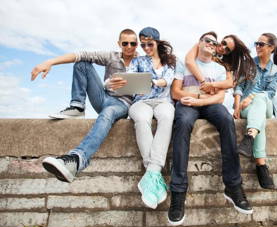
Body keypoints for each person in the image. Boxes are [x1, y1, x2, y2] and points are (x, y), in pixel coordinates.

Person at [168, 31, 253, 226]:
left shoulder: (219, 68)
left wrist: (199, 100)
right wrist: (189, 99)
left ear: (216, 49)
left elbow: (220, 98)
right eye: (207, 40)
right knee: (182, 124)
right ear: (199, 42)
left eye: (214, 43)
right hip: (187, 103)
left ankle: (233, 186)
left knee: (226, 119)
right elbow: (175, 91)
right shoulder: (185, 62)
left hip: (206, 104)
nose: (211, 44)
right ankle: (178, 192)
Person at [30, 29, 138, 182]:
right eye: (125, 43)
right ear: (119, 43)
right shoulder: (111, 57)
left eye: (132, 43)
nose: (128, 46)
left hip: (121, 104)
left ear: (137, 44)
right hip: (103, 97)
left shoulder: (142, 61)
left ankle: (77, 159)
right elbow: (80, 54)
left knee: (107, 114)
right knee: (82, 62)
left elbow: (147, 87)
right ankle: (77, 106)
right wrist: (49, 62)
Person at [234, 32, 277, 189]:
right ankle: (261, 165)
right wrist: (237, 106)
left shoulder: (275, 70)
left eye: (261, 44)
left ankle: (250, 138)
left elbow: (270, 93)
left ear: (271, 48)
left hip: (266, 105)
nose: (257, 47)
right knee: (259, 122)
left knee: (262, 98)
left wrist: (251, 97)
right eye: (256, 43)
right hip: (246, 108)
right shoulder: (247, 63)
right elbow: (239, 86)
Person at [123, 27, 176, 209]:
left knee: (167, 117)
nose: (146, 48)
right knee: (142, 120)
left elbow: (166, 81)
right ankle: (154, 173)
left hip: (162, 101)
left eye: (149, 44)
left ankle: (150, 174)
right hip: (142, 101)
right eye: (143, 44)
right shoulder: (138, 61)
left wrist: (152, 81)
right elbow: (129, 80)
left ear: (157, 43)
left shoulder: (169, 63)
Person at [185, 34, 256, 113]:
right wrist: (204, 83)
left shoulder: (224, 63)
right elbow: (189, 61)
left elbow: (230, 83)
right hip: (192, 91)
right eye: (224, 43)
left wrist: (212, 85)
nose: (223, 48)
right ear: (222, 39)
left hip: (211, 99)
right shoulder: (205, 43)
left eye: (227, 49)